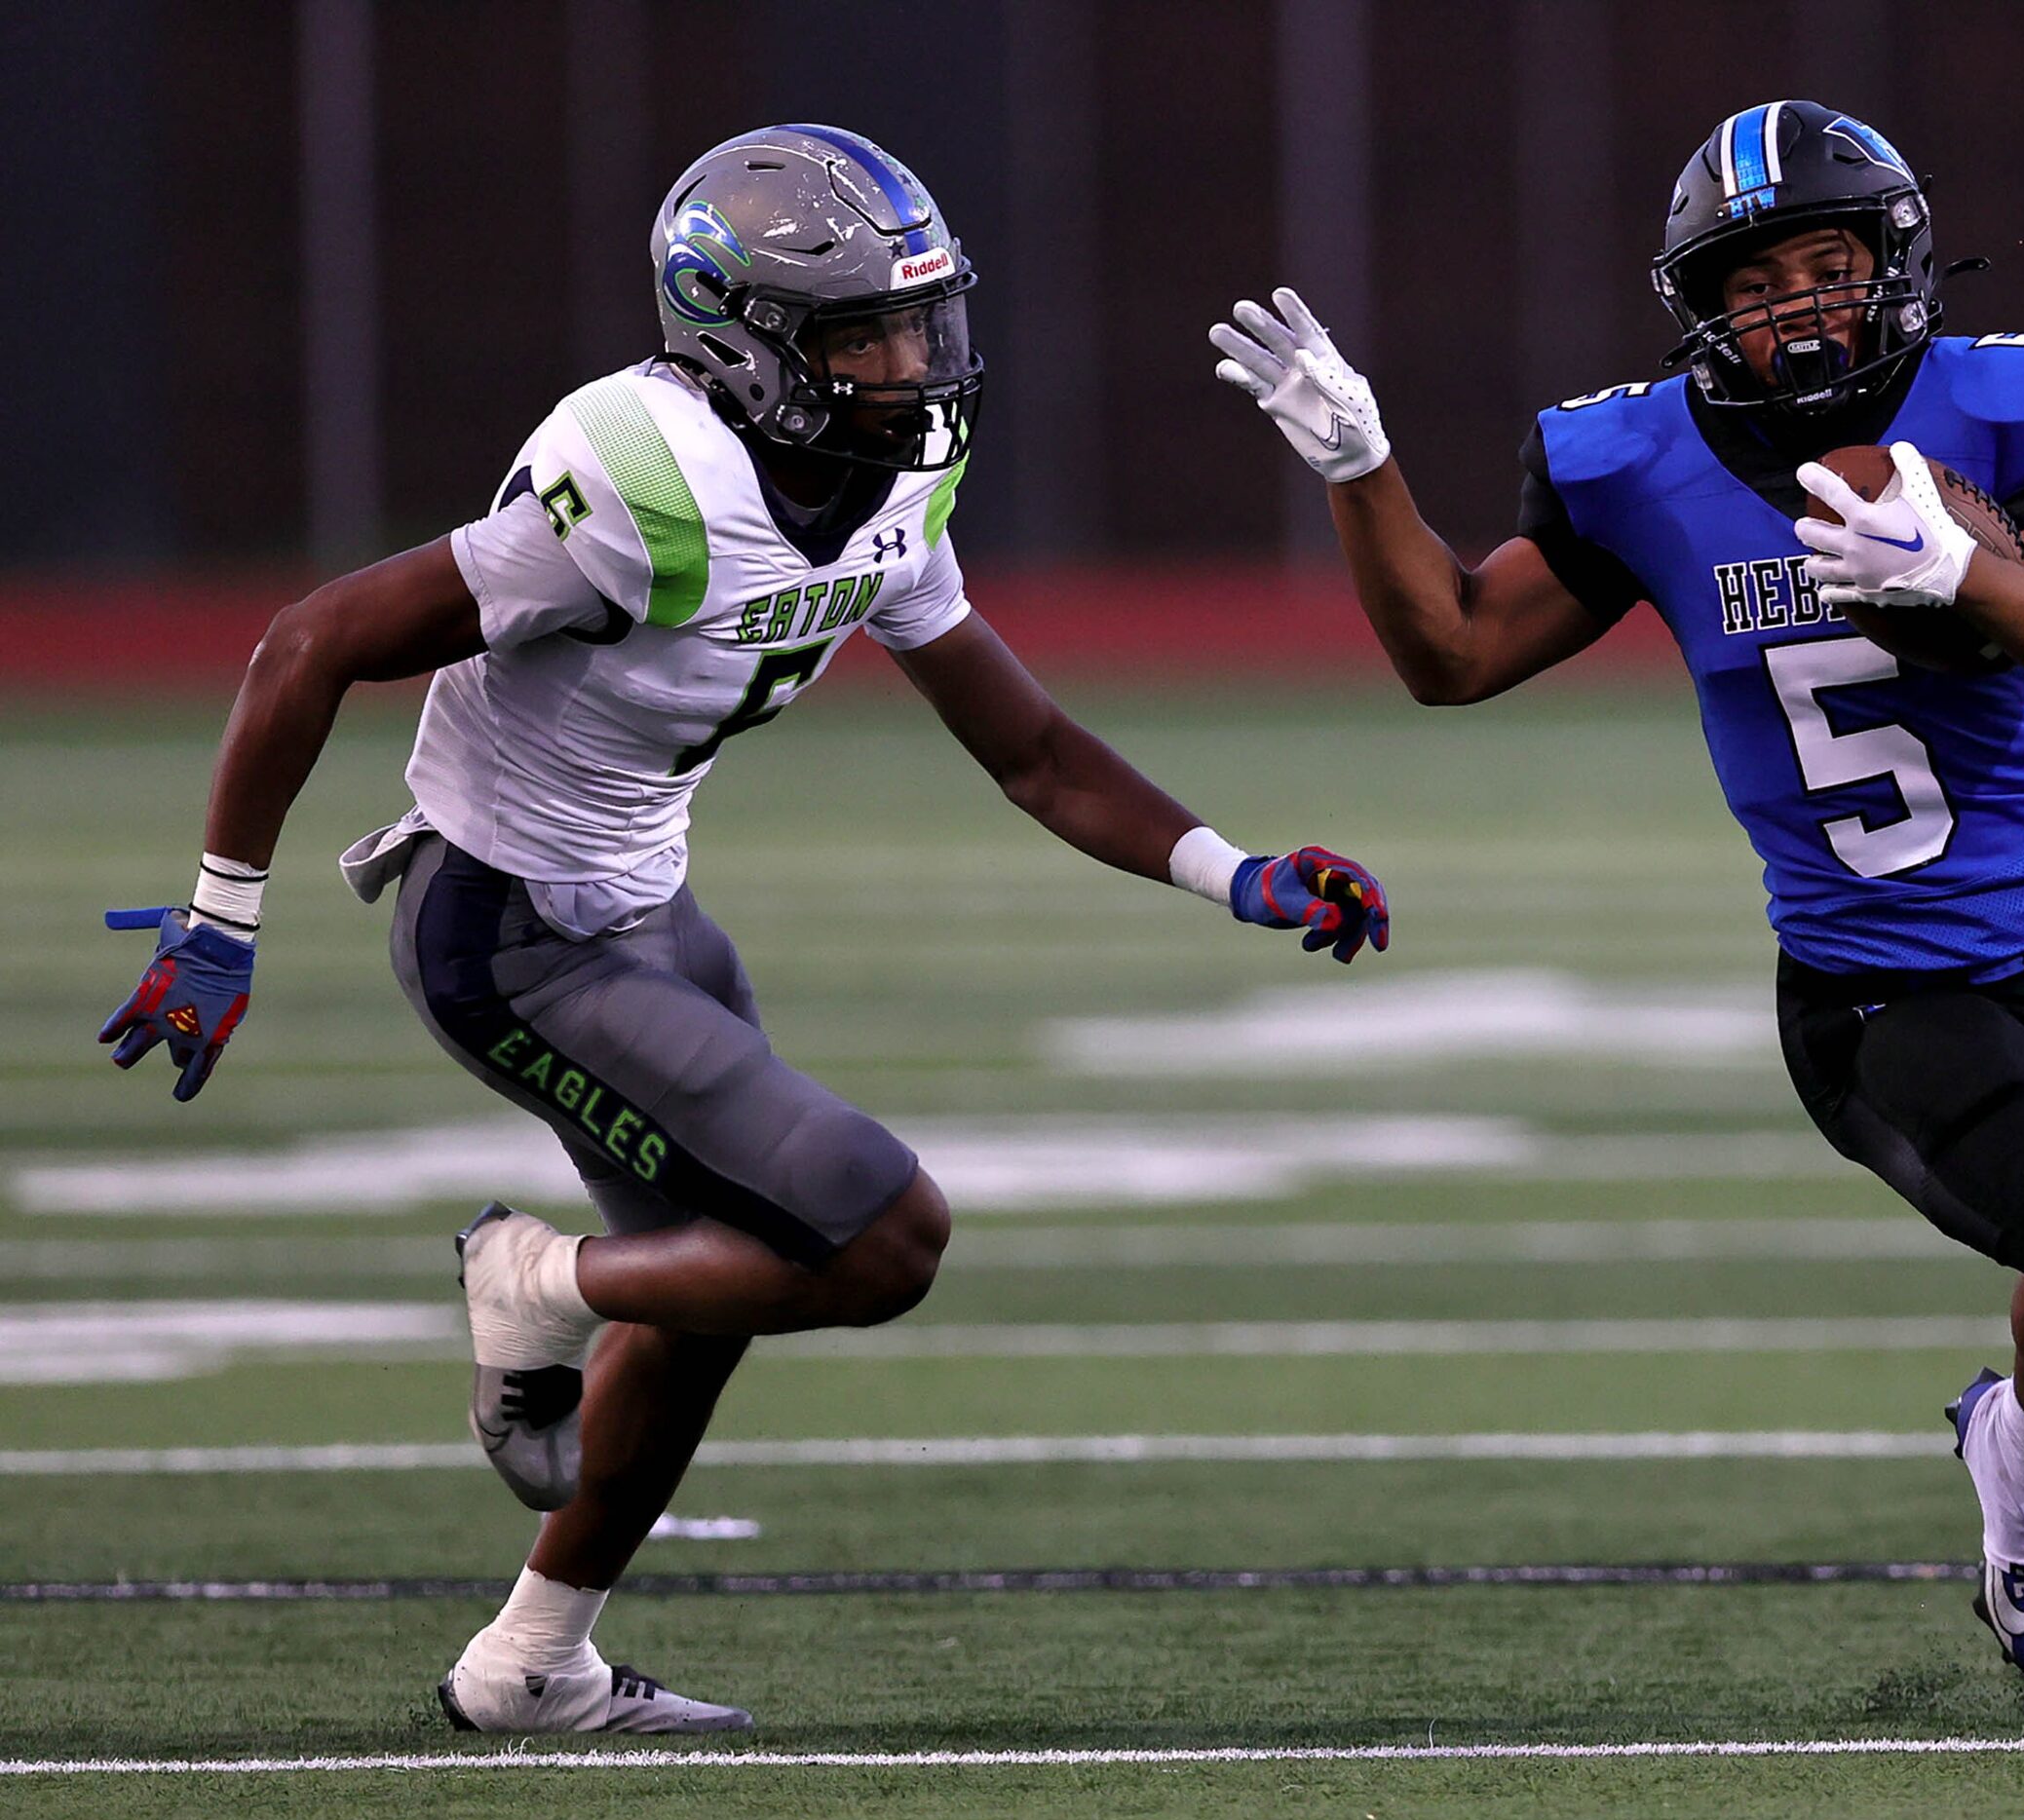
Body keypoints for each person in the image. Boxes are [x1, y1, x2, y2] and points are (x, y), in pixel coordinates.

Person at [1213, 98, 2024, 1729]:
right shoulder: (1632, 461)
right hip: (1878, 988)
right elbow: (1451, 653)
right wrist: (1361, 469)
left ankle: (2020, 1471)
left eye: (1821, 270)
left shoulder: (2007, 400)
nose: (1793, 311)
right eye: (1751, 288)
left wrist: (1960, 574)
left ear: (1892, 265)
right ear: (1700, 309)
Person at [96, 123, 1391, 1735]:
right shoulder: (636, 478)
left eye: (923, 321)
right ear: (742, 342)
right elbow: (310, 642)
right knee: (876, 1233)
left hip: (648, 909)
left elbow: (1035, 752)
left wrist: (1235, 871)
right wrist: (224, 917)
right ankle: (532, 1278)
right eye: (865, 334)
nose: (913, 365)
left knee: (721, 1284)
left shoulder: (889, 477)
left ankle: (529, 1665)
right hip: (506, 930)